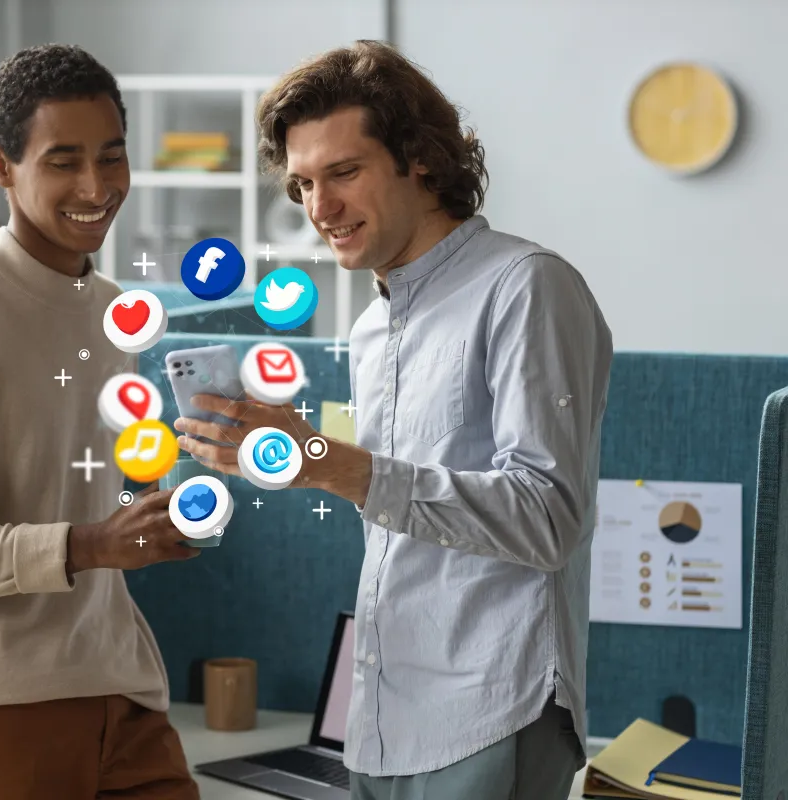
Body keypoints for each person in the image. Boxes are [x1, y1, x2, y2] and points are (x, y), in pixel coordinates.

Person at [173, 40, 614, 800]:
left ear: (421, 160)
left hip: (488, 708)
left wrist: (323, 459)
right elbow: (398, 518)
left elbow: (550, 516)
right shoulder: (372, 330)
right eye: (305, 183)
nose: (320, 208)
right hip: (380, 714)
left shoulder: (525, 288)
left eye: (343, 173)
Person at [0, 43, 200, 800]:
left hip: (119, 694)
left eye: (112, 157)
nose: (97, 186)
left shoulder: (114, 309)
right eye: (63, 161)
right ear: (1, 166)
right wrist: (91, 544)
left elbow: (77, 490)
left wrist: (169, 502)